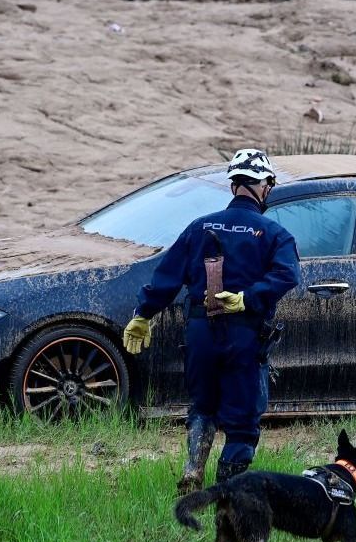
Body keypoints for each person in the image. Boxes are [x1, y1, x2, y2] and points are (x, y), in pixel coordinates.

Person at [122, 149, 301, 494]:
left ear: (233, 184)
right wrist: (249, 297)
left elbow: (167, 276)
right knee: (242, 423)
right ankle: (225, 494)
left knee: (202, 406)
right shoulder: (274, 234)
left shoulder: (198, 227)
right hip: (244, 336)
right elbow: (287, 275)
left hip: (200, 333)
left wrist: (143, 315)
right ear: (265, 186)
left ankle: (193, 470)